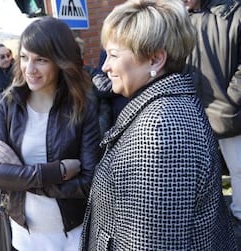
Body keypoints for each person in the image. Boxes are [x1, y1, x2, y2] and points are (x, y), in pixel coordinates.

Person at [79, 1, 237, 250]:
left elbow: (153, 243)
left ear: (155, 60)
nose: (105, 66)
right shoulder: (163, 110)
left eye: (114, 55)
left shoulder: (160, 132)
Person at [0, 17, 102, 251]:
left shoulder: (82, 106)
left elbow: (88, 183)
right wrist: (56, 171)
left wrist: (19, 172)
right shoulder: (7, 104)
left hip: (72, 235)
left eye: (41, 60)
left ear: (60, 61)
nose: (29, 68)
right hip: (23, 235)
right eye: (24, 57)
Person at [182, 0, 241, 223]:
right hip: (190, 112)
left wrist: (231, 101)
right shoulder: (176, 17)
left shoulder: (234, 11)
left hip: (229, 113)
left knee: (238, 169)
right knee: (196, 174)